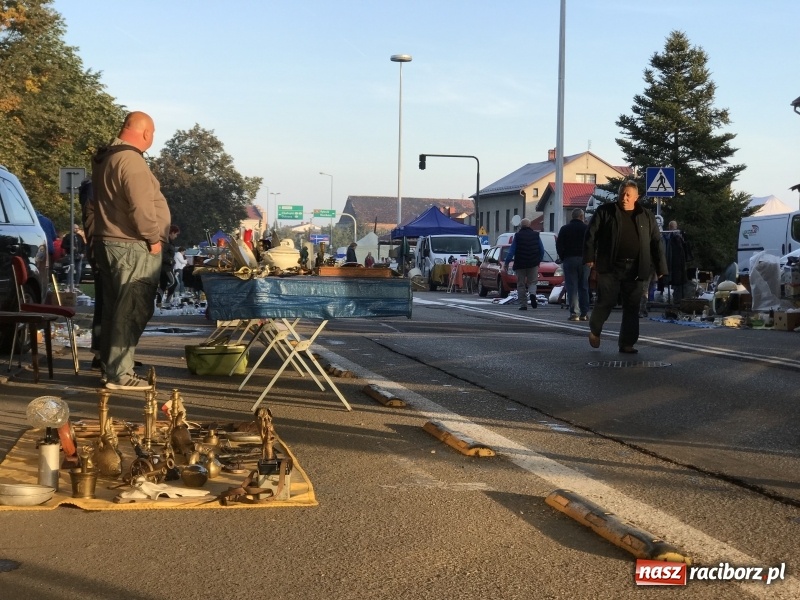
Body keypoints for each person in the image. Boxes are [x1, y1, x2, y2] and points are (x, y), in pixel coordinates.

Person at [91, 111, 171, 390]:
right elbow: (141, 205)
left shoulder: (108, 157)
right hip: (131, 245)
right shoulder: (131, 160)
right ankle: (120, 373)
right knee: (131, 308)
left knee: (113, 309)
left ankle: (111, 367)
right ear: (146, 133)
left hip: (109, 241)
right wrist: (153, 238)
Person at [583, 180, 667, 354]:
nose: (624, 197)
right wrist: (589, 257)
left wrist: (661, 268)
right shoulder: (605, 211)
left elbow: (656, 243)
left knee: (632, 306)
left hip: (637, 268)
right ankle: (595, 330)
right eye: (622, 193)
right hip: (610, 266)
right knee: (606, 301)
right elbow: (591, 234)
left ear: (636, 197)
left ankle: (627, 343)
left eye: (628, 195)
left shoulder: (646, 216)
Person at [502, 218, 544, 310]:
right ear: (529, 225)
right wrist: (538, 261)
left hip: (520, 264)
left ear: (521, 226)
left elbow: (511, 251)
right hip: (533, 263)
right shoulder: (536, 235)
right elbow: (542, 250)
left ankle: (523, 305)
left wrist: (506, 263)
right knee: (532, 282)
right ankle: (532, 294)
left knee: (521, 284)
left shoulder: (517, 236)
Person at [557, 208, 590, 321]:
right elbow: (591, 244)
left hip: (569, 259)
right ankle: (584, 313)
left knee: (572, 287)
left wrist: (563, 257)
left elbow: (559, 245)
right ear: (581, 216)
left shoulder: (564, 229)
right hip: (584, 260)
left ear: (572, 216)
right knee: (584, 286)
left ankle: (574, 313)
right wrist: (591, 258)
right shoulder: (586, 228)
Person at [157, 225, 180, 307]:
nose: (176, 236)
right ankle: (166, 301)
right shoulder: (166, 243)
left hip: (166, 267)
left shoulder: (168, 242)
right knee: (174, 283)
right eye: (176, 234)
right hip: (166, 268)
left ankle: (159, 303)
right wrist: (170, 260)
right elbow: (162, 254)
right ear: (172, 233)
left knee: (163, 285)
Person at [61, 223, 86, 288]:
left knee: (79, 270)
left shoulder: (79, 236)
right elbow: (63, 245)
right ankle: (68, 283)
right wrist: (70, 247)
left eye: (77, 228)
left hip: (79, 255)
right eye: (75, 228)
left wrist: (83, 253)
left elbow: (83, 245)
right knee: (71, 269)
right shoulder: (67, 236)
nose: (77, 229)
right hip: (70, 255)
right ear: (72, 228)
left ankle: (77, 283)